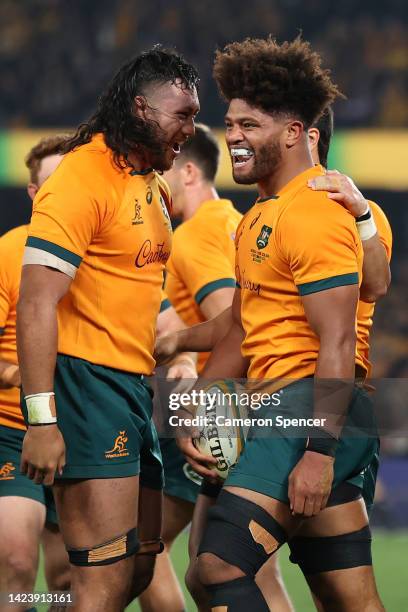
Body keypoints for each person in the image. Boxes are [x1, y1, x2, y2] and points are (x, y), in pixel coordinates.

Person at [178, 37, 385, 610]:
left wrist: (319, 451)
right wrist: (197, 406)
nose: (234, 136)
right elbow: (242, 333)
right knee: (350, 600)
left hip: (306, 409)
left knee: (215, 568)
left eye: (251, 124)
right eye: (231, 123)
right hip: (278, 405)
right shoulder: (256, 221)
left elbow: (338, 337)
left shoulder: (318, 212)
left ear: (295, 133)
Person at [16, 47, 199, 611]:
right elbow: (36, 302)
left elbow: (140, 291)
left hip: (129, 390)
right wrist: (42, 420)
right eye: (182, 115)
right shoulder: (81, 177)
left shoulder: (150, 184)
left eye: (195, 115)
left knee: (139, 566)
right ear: (140, 109)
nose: (189, 131)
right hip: (85, 385)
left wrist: (180, 352)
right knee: (101, 578)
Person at [140, 124, 248, 612]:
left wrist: (198, 404)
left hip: (209, 414)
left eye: (162, 171)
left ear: (188, 171)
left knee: (138, 546)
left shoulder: (195, 235)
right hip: (236, 409)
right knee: (220, 570)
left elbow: (233, 322)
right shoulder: (235, 222)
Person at [0, 135, 70, 611]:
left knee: (70, 578)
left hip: (85, 429)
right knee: (18, 563)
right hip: (13, 430)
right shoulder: (9, 254)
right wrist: (16, 376)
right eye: (51, 184)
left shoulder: (100, 254)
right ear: (32, 193)